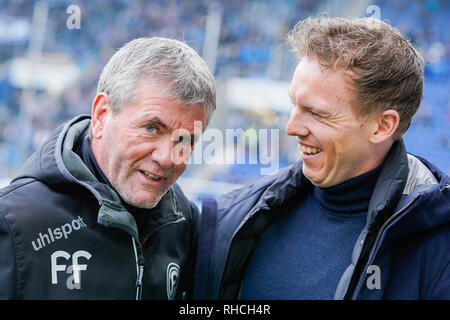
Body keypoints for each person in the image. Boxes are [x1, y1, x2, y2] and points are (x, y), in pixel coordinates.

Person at [193, 17, 450, 300]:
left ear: (382, 126)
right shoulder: (240, 218)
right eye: (294, 104)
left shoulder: (439, 246)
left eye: (316, 113)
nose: (291, 128)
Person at [0, 37, 216, 299]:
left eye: (184, 139)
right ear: (102, 115)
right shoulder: (13, 225)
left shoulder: (182, 220)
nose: (167, 158)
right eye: (151, 128)